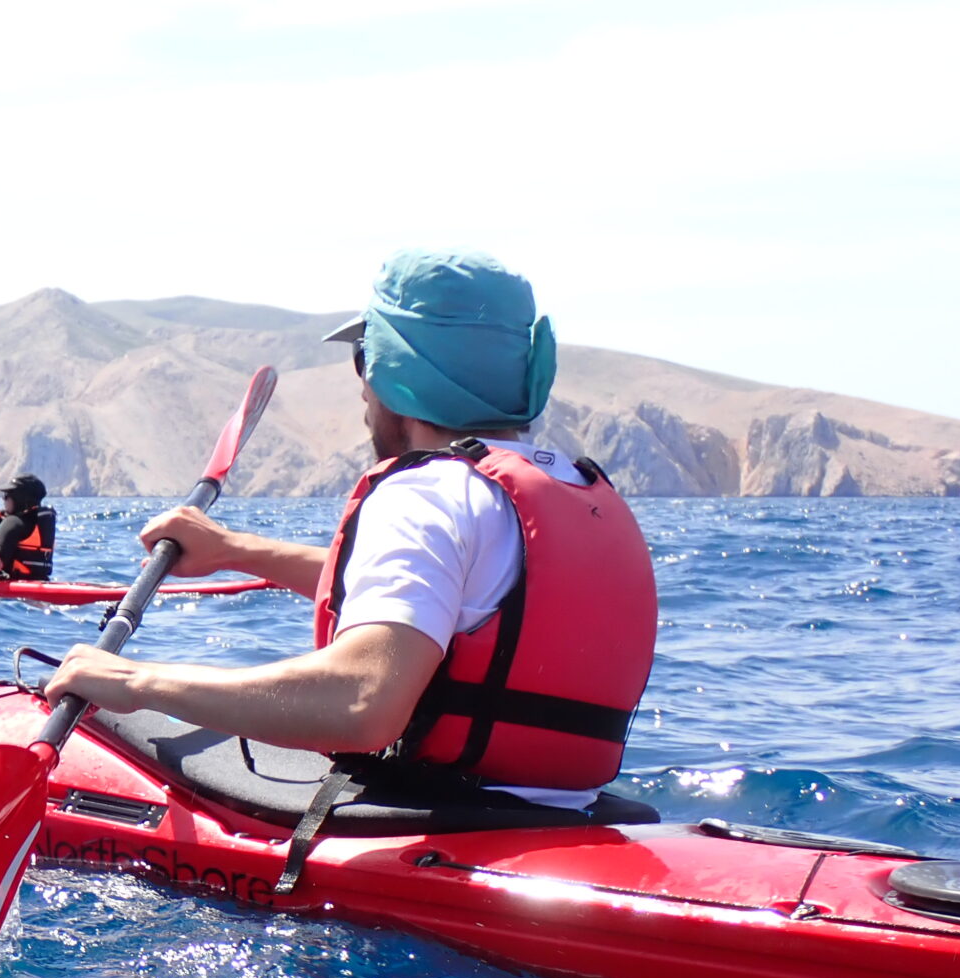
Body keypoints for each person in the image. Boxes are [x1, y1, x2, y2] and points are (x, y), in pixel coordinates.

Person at [41, 249, 657, 817]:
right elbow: (434, 598)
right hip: (567, 812)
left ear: (396, 371)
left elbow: (362, 704)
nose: (362, 389)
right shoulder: (563, 491)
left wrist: (139, 683)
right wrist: (233, 551)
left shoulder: (427, 494)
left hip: (442, 822)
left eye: (365, 357)